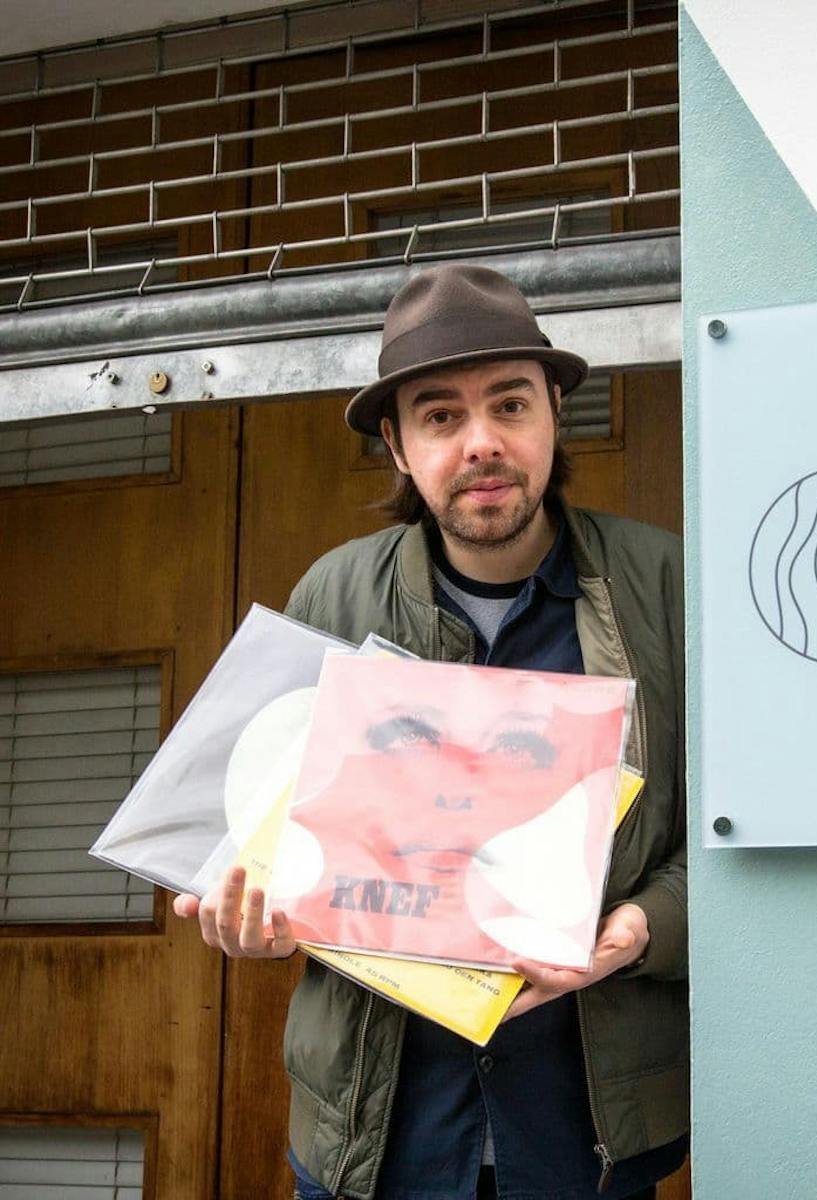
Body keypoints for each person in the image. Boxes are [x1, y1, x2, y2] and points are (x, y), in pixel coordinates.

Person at [173, 264, 688, 1200]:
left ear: (554, 413)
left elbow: (728, 834)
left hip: (585, 1142)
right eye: (441, 416)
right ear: (399, 446)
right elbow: (272, 843)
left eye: (510, 405)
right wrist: (261, 916)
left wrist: (640, 929)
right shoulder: (335, 596)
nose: (482, 442)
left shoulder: (662, 587)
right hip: (376, 1145)